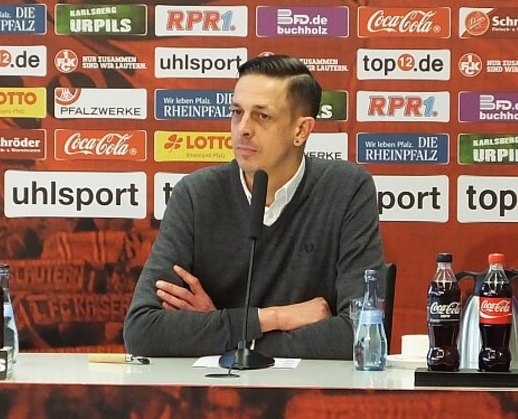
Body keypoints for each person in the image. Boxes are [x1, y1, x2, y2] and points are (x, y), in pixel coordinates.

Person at [124, 55, 384, 358]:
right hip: (214, 385)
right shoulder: (196, 195)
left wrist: (220, 329)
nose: (243, 128)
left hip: (312, 386)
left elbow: (359, 334)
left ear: (301, 130)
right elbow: (143, 331)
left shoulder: (347, 190)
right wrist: (273, 318)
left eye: (262, 116)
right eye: (237, 112)